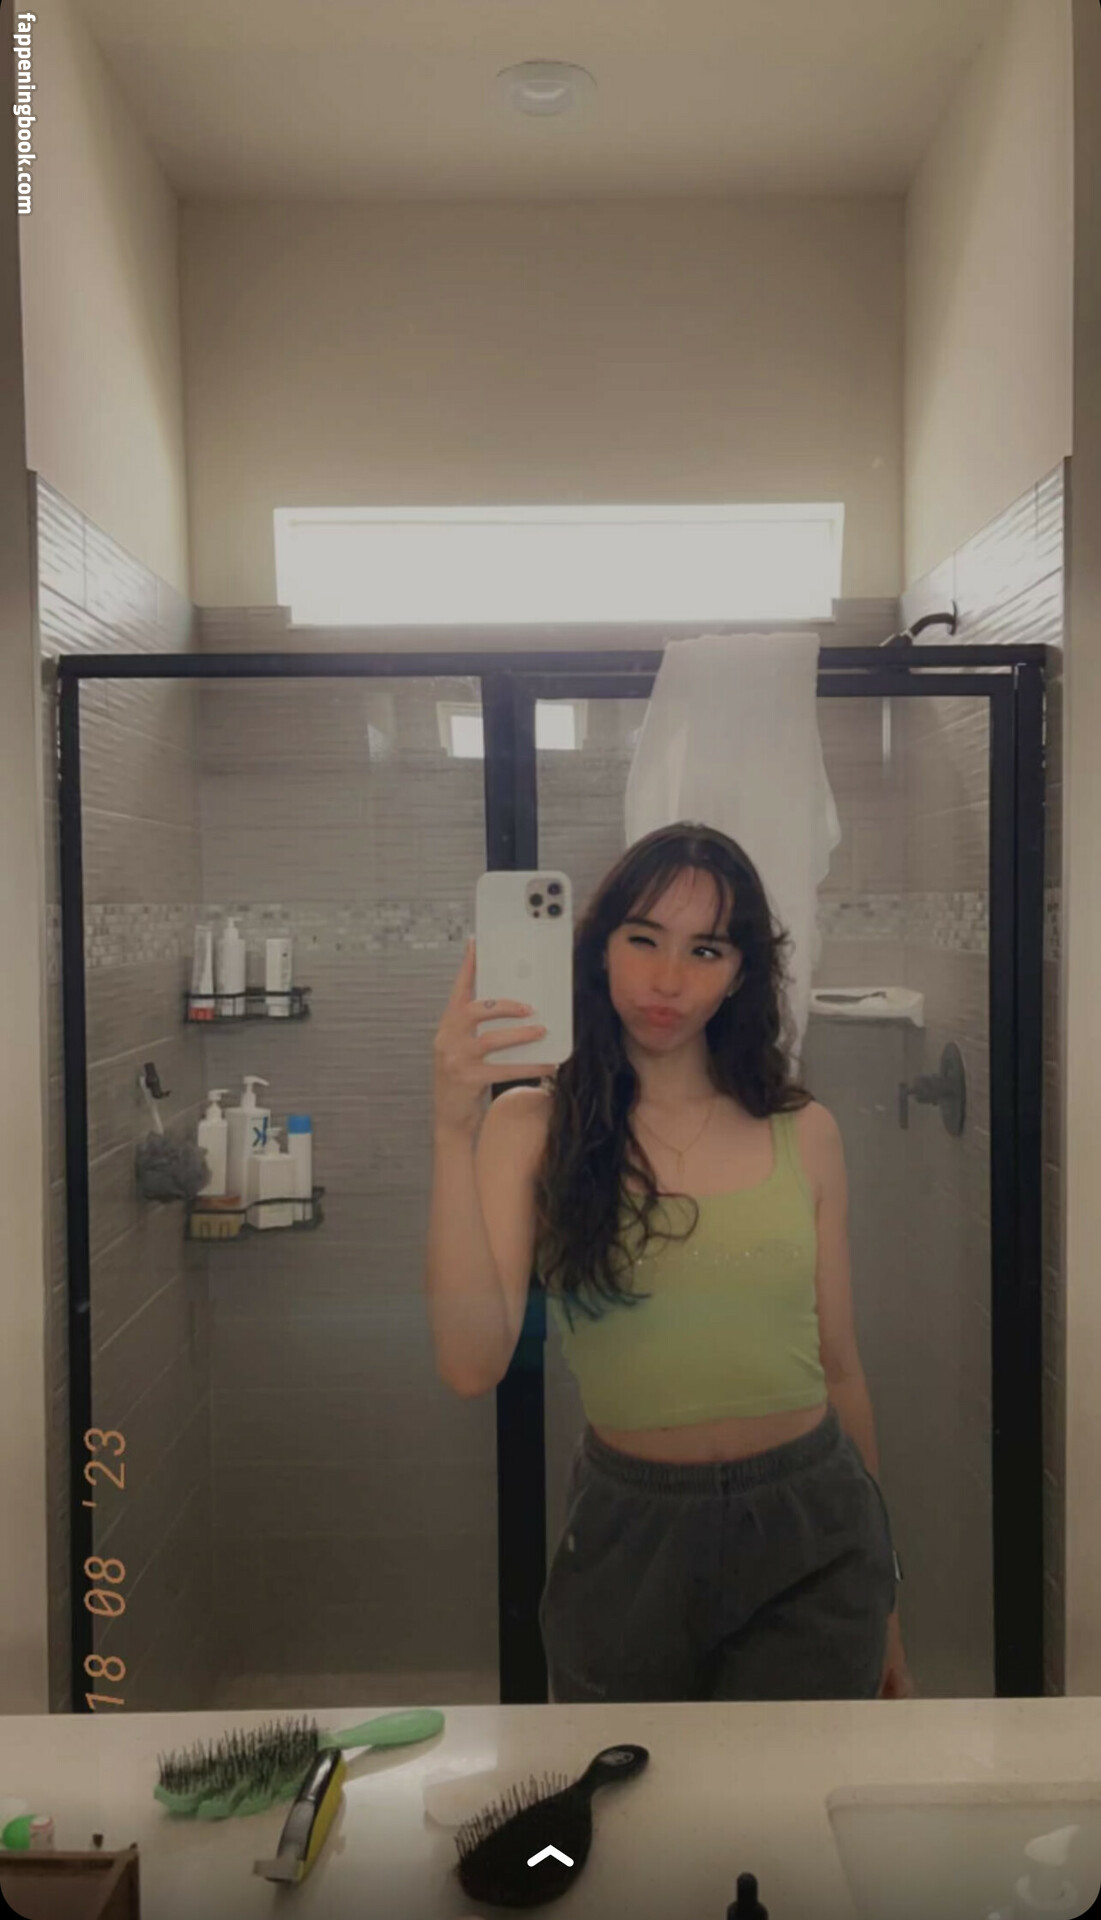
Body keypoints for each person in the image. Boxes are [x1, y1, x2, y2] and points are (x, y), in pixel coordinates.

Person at [425, 822, 914, 1703]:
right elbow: (470, 1364)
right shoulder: (529, 1126)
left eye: (705, 950)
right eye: (643, 939)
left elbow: (842, 1369)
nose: (667, 980)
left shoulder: (805, 1131)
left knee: (789, 1794)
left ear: (739, 974)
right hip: (629, 1535)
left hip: (815, 1529)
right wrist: (450, 1127)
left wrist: (887, 1610)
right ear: (599, 949)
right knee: (626, 1790)